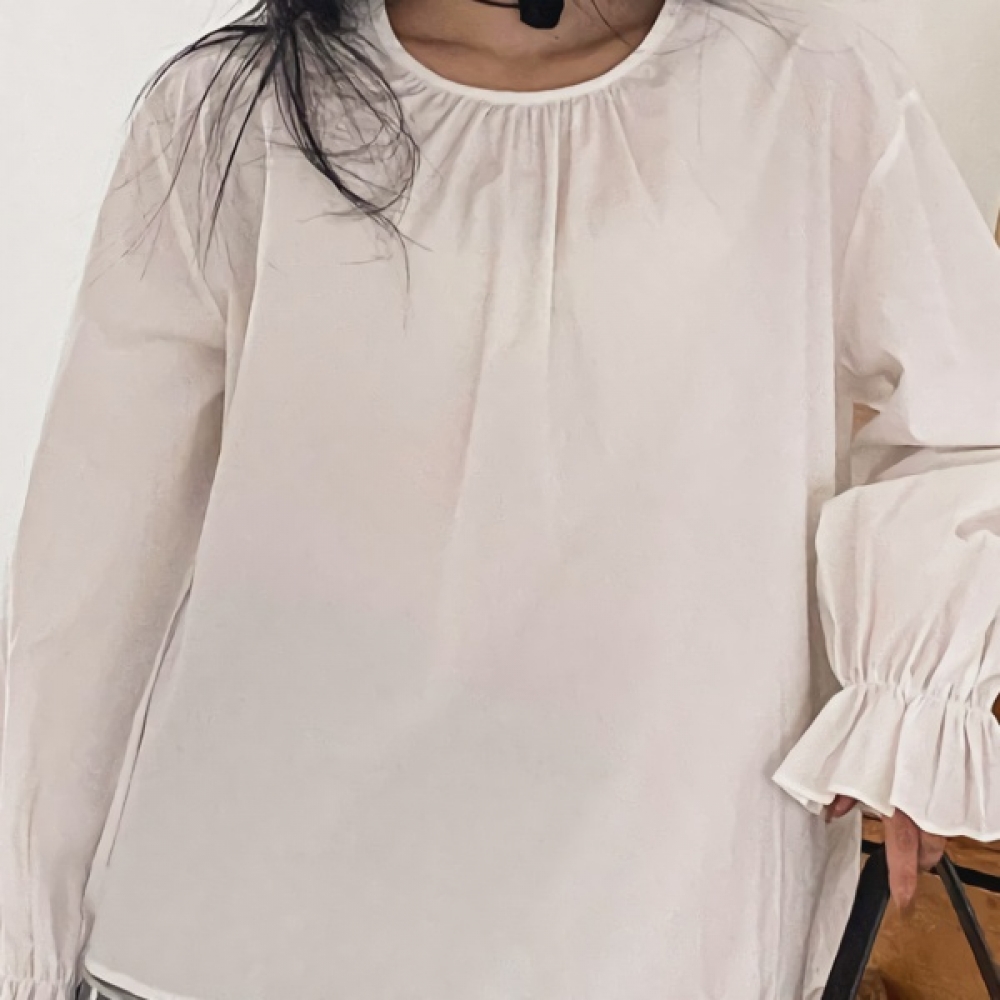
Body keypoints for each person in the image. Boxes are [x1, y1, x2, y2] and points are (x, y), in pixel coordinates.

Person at [1, 0, 999, 998]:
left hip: (641, 920)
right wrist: (29, 943)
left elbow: (967, 418)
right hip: (232, 926)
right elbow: (92, 576)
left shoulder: (808, 91)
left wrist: (920, 694)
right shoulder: (231, 113)